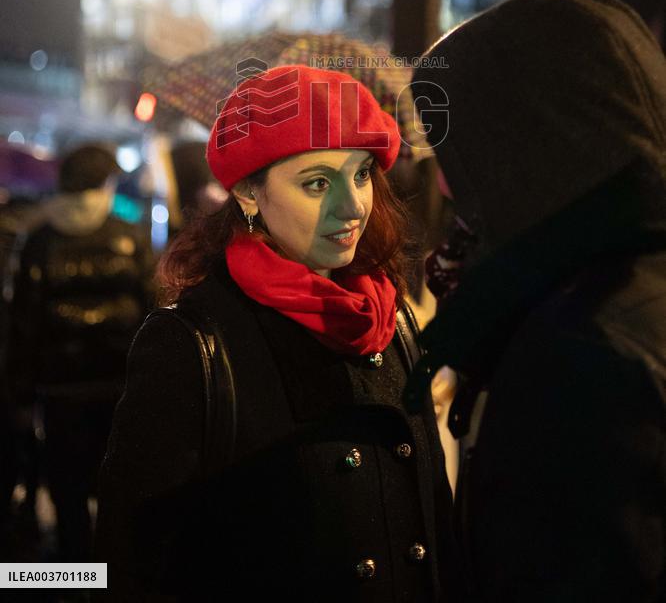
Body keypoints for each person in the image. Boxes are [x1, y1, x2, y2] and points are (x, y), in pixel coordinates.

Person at [95, 65, 460, 602]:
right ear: (247, 191)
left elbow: (433, 523)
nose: (353, 205)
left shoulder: (390, 318)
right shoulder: (194, 343)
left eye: (361, 174)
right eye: (317, 183)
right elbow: (124, 559)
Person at [404, 0, 666, 602]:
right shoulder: (622, 286)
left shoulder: (582, 352)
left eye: (458, 151)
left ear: (527, 143)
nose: (445, 182)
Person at [8, 143, 152, 561]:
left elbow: (24, 324)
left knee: (67, 491)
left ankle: (75, 577)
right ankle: (114, 577)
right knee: (118, 487)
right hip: (119, 389)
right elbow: (152, 315)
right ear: (105, 183)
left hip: (60, 391)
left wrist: (20, 395)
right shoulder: (130, 236)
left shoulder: (39, 241)